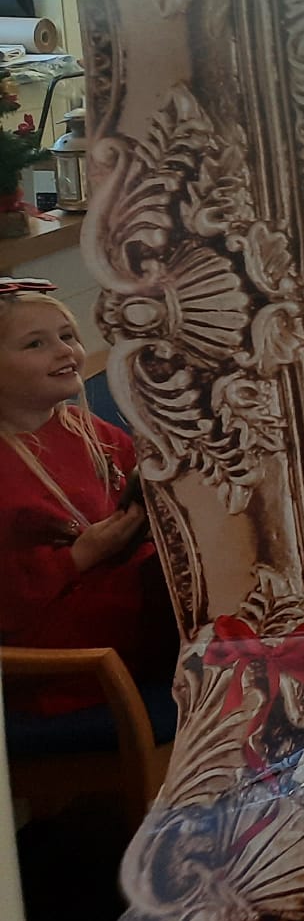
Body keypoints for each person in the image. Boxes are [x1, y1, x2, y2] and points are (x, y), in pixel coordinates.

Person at [0, 279, 174, 720]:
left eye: (67, 336)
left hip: (126, 612)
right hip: (69, 664)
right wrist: (81, 555)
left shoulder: (84, 427)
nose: (65, 351)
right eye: (36, 344)